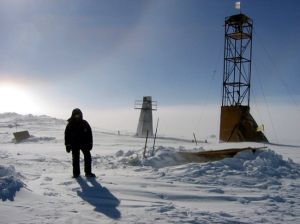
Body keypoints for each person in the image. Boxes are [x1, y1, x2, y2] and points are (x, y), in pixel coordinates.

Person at [64, 108, 95, 178]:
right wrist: (67, 145)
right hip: (74, 144)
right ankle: (76, 174)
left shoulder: (85, 123)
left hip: (85, 144)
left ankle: (88, 173)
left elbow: (89, 134)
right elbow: (67, 135)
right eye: (75, 115)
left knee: (88, 157)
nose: (77, 116)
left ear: (81, 115)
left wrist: (90, 143)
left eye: (78, 114)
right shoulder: (70, 124)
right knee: (75, 159)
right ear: (73, 115)